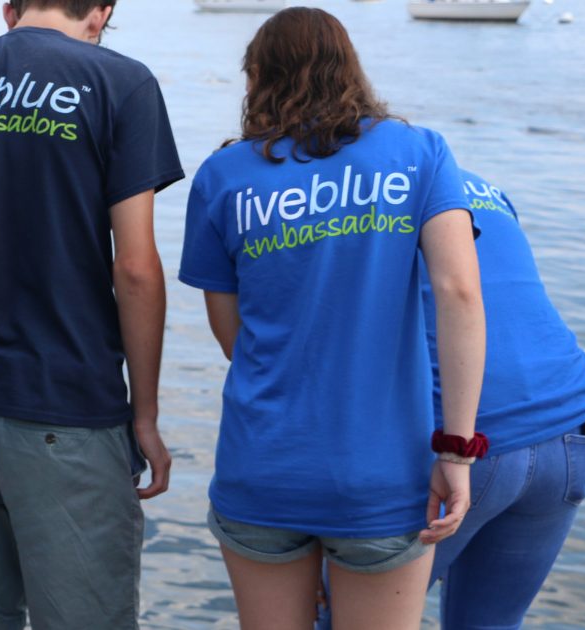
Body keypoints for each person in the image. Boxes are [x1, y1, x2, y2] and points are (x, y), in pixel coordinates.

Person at [177, 8, 486, 629]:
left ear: (258, 77)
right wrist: (456, 450)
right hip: (381, 476)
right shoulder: (419, 153)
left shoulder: (224, 175)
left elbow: (231, 336)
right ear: (351, 69)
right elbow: (458, 293)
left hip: (263, 465)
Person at [0, 0, 182, 627]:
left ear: (9, 9)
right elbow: (134, 267)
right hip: (65, 402)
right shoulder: (121, 82)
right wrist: (146, 414)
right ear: (101, 12)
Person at [317, 168, 585, 629]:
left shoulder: (336, 194)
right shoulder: (478, 185)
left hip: (467, 436)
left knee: (344, 619)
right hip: (572, 421)